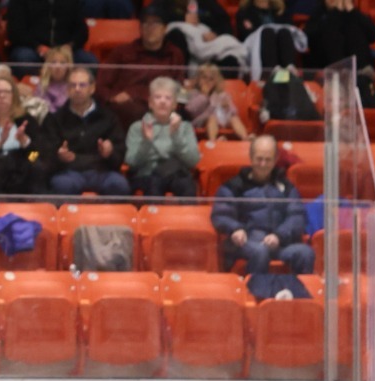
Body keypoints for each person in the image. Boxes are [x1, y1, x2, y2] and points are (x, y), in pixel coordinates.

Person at [212, 138, 314, 272]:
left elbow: (297, 216)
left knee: (305, 253)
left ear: (275, 159)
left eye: (268, 159)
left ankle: (299, 292)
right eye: (259, 158)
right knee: (260, 251)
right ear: (250, 157)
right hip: (246, 243)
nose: (263, 164)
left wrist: (279, 235)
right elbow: (221, 214)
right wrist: (235, 228)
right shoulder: (234, 186)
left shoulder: (287, 187)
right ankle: (257, 291)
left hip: (279, 244)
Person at [37, 66, 126, 196]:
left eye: (82, 85)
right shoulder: (54, 119)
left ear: (92, 88)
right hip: (68, 172)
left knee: (119, 185)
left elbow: (120, 153)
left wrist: (109, 153)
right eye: (73, 85)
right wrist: (59, 156)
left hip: (102, 170)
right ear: (67, 89)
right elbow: (44, 153)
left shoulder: (109, 117)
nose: (77, 89)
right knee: (61, 185)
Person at [99, 7, 186, 125]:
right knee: (135, 112)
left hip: (160, 107)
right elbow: (101, 85)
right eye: (145, 23)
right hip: (124, 110)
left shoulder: (174, 54)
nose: (150, 28)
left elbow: (177, 89)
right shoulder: (122, 52)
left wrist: (136, 93)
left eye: (155, 23)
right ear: (140, 28)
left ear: (165, 28)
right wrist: (112, 98)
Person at [125, 75, 199, 197]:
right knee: (153, 184)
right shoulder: (138, 127)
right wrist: (146, 141)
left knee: (187, 186)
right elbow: (131, 162)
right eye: (158, 97)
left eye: (168, 98)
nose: (162, 101)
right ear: (150, 103)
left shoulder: (185, 127)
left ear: (174, 104)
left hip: (177, 173)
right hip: (147, 175)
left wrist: (176, 136)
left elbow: (193, 161)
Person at [5, 0, 93, 68]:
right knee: (23, 58)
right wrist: (38, 47)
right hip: (33, 49)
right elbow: (15, 32)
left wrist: (69, 47)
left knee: (88, 61)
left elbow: (82, 32)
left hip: (65, 50)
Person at [185, 62, 248, 143]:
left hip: (222, 121)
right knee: (212, 118)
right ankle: (213, 141)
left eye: (211, 79)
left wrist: (228, 107)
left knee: (234, 118)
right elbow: (191, 110)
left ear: (216, 81)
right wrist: (204, 96)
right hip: (201, 121)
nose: (207, 81)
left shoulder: (221, 94)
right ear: (198, 79)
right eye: (204, 78)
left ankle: (245, 139)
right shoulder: (194, 93)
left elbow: (234, 112)